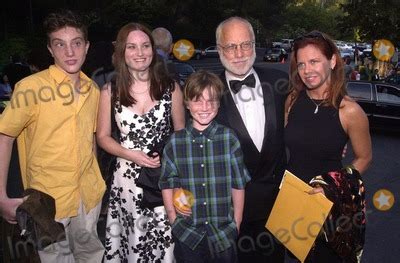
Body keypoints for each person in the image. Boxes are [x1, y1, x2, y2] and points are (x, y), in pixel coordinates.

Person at [0, 9, 106, 262]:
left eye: (76, 43)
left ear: (86, 46)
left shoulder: (93, 89)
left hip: (88, 196)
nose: (69, 52)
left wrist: (97, 179)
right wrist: (1, 197)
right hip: (46, 202)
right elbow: (4, 137)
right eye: (60, 44)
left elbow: (90, 138)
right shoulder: (31, 88)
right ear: (50, 49)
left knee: (91, 255)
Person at [96, 22, 185, 262]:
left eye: (145, 46)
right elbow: (102, 137)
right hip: (127, 183)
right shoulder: (109, 91)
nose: (140, 52)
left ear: (153, 50)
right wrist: (131, 154)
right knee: (133, 243)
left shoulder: (171, 88)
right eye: (132, 47)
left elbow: (181, 133)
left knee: (164, 245)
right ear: (122, 52)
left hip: (163, 181)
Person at [285, 30, 372, 262]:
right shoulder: (293, 100)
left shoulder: (350, 111)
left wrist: (333, 186)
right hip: (292, 203)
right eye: (301, 64)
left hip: (329, 205)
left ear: (332, 61)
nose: (307, 70)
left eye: (314, 61)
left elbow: (364, 158)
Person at [214, 17, 288, 262]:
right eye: (231, 46)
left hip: (276, 210)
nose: (239, 53)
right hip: (229, 213)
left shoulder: (279, 83)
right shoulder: (207, 90)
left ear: (255, 45)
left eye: (245, 44)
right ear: (219, 49)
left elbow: (308, 114)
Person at [159, 70, 251, 262]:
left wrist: (237, 221)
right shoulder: (175, 143)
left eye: (211, 101)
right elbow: (168, 183)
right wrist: (172, 219)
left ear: (219, 104)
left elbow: (238, 183)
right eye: (197, 100)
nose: (205, 106)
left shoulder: (229, 138)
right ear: (186, 103)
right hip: (187, 233)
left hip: (223, 233)